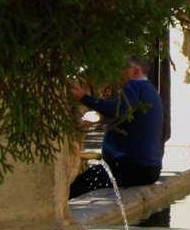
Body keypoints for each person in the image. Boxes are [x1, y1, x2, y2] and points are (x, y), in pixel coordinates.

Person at [70, 56, 165, 198]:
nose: (118, 73)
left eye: (122, 69)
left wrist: (83, 97)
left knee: (73, 190)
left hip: (128, 168)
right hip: (151, 170)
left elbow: (117, 109)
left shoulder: (134, 86)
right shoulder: (151, 91)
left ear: (134, 72)